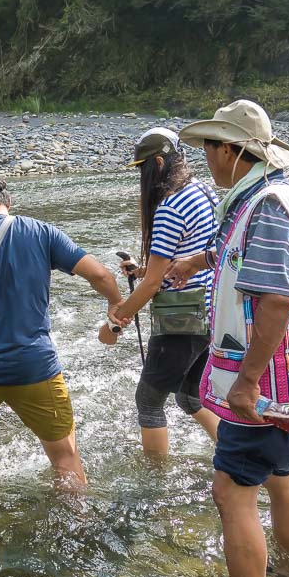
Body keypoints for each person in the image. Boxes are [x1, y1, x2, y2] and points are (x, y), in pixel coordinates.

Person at [166, 100, 289, 577]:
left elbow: (276, 300)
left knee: (230, 491)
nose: (204, 161)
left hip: (263, 382)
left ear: (229, 151)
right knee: (283, 479)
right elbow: (247, 258)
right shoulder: (271, 196)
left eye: (208, 149)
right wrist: (201, 259)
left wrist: (244, 385)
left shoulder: (263, 206)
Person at [0, 170, 124, 488]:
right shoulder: (43, 232)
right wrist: (116, 305)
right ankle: (78, 526)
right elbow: (101, 275)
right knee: (64, 456)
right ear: (6, 201)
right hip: (35, 366)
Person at [98, 127, 221, 453]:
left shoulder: (169, 207)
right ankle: (234, 456)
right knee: (189, 396)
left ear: (159, 163)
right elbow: (194, 254)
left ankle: (154, 487)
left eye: (143, 169)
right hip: (211, 311)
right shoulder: (203, 192)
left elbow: (154, 285)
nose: (143, 177)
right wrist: (142, 271)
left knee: (149, 402)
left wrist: (115, 322)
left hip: (181, 318)